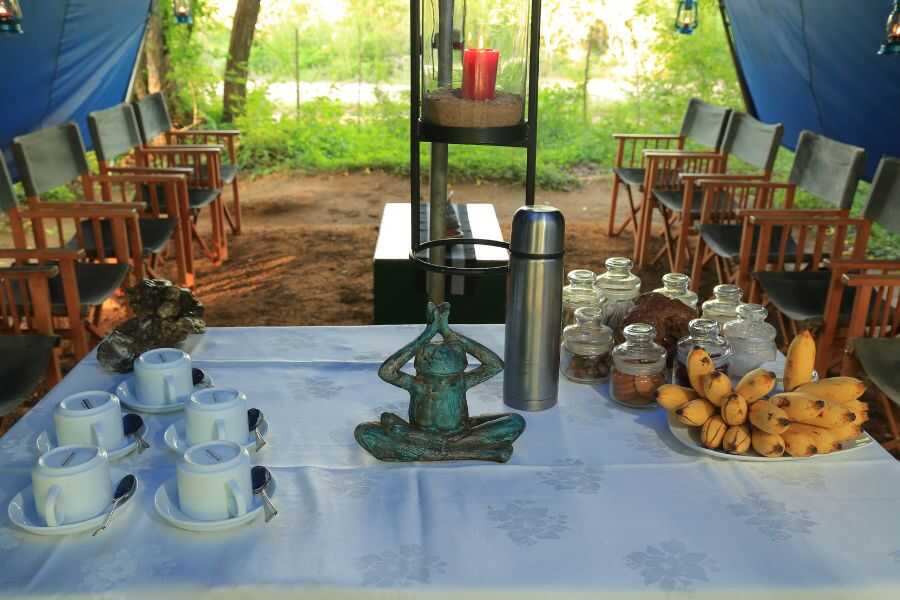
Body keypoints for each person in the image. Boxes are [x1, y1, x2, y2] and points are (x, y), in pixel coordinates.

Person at [355, 302, 525, 462]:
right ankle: (468, 451)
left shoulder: (460, 381)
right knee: (365, 431)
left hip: (456, 434)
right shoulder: (418, 384)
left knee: (515, 421)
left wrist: (447, 331)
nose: (442, 380)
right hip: (422, 434)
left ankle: (439, 451)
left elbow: (495, 365)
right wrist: (428, 334)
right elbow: (386, 372)